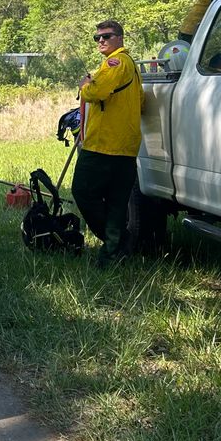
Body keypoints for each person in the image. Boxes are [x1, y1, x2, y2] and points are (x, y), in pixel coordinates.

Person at [71, 19, 143, 267]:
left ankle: (119, 241)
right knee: (115, 203)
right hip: (126, 146)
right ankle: (113, 254)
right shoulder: (131, 66)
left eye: (107, 36)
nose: (101, 40)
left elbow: (95, 93)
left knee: (82, 191)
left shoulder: (116, 62)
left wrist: (85, 85)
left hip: (104, 146)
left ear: (120, 38)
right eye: (98, 37)